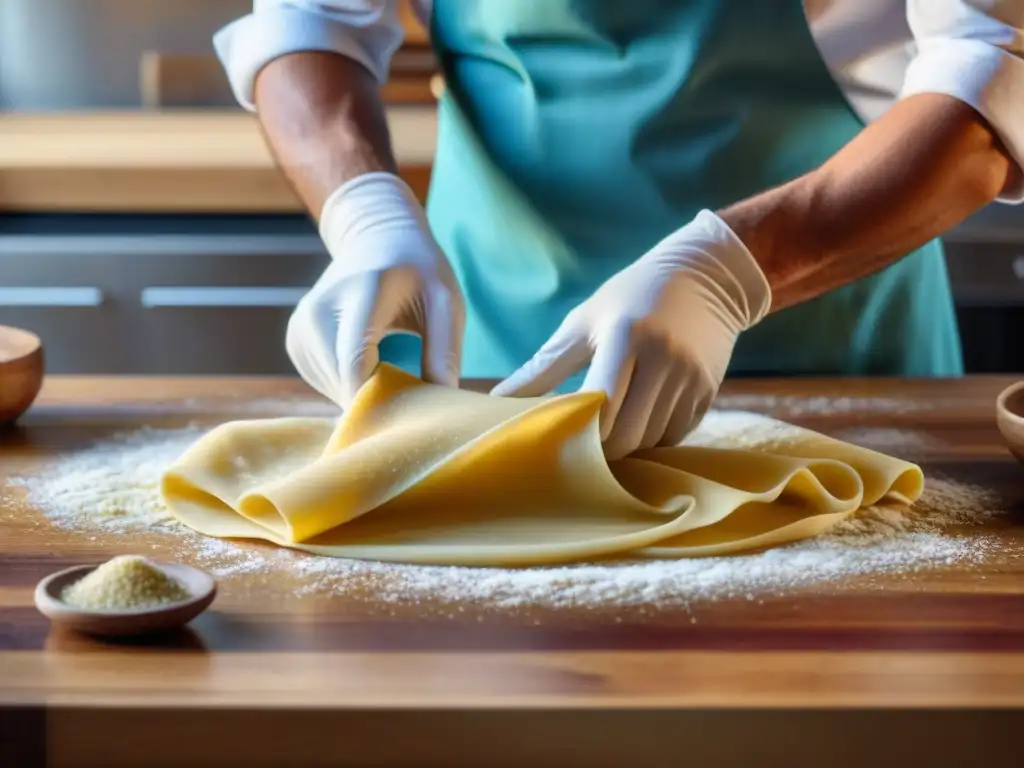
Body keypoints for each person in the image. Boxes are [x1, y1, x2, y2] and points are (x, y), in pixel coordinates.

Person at [214, 0, 1022, 458]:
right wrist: (366, 216)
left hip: (838, 364)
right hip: (493, 361)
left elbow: (996, 74)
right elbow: (312, 24)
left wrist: (727, 275)